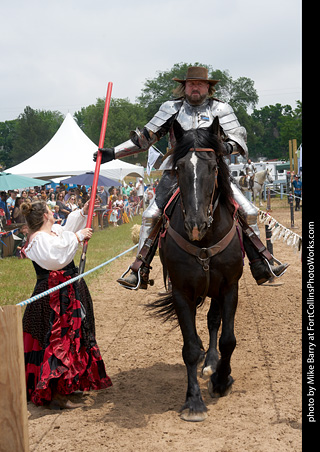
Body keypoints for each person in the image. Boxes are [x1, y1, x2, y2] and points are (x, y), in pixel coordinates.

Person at [95, 66, 288, 289]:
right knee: (150, 215)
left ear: (208, 87)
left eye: (200, 83)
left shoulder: (221, 109)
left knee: (248, 210)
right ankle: (140, 270)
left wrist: (225, 147)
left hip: (212, 173)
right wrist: (113, 152)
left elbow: (239, 140)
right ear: (184, 86)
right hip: (177, 173)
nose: (195, 87)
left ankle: (261, 263)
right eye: (191, 83)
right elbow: (144, 139)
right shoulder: (171, 108)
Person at [21, 199, 112, 409]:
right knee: (59, 341)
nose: (53, 213)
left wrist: (83, 211)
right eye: (50, 210)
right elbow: (57, 258)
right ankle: (56, 394)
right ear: (45, 215)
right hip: (53, 299)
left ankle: (71, 383)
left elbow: (67, 231)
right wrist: (79, 237)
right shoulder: (38, 239)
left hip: (69, 291)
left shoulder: (54, 231)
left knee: (76, 338)